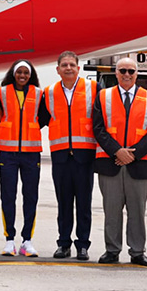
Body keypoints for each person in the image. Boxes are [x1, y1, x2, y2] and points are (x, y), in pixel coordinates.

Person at [93, 58, 147, 267]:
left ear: (136, 74)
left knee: (137, 211)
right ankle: (112, 250)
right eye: (122, 70)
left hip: (138, 164)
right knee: (111, 210)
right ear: (116, 73)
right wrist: (117, 151)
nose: (127, 74)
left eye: (131, 71)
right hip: (110, 162)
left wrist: (133, 154)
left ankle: (137, 252)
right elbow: (98, 128)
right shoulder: (103, 96)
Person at [43, 51, 98, 261]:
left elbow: (100, 120)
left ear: (78, 68)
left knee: (84, 204)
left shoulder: (93, 89)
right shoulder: (49, 92)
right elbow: (39, 118)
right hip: (61, 157)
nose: (68, 68)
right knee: (63, 204)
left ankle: (82, 245)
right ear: (57, 70)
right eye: (64, 65)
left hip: (85, 157)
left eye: (72, 65)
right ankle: (63, 244)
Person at [0, 60, 50, 257]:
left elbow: (44, 117)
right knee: (8, 196)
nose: (22, 75)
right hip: (8, 153)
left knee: (31, 197)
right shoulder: (1, 93)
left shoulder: (38, 94)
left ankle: (27, 240)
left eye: (26, 73)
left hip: (31, 153)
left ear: (31, 75)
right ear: (13, 73)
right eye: (19, 72)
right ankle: (9, 239)